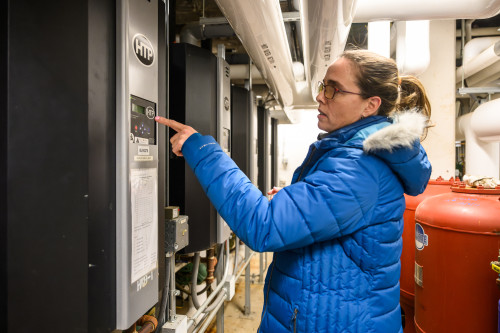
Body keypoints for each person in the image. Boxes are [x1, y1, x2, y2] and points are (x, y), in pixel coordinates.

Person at [155, 49, 432, 333]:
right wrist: (293, 199)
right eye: (323, 85)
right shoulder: (351, 156)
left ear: (370, 105)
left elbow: (263, 225)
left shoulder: (360, 168)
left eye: (334, 89)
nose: (321, 96)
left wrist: (202, 151)